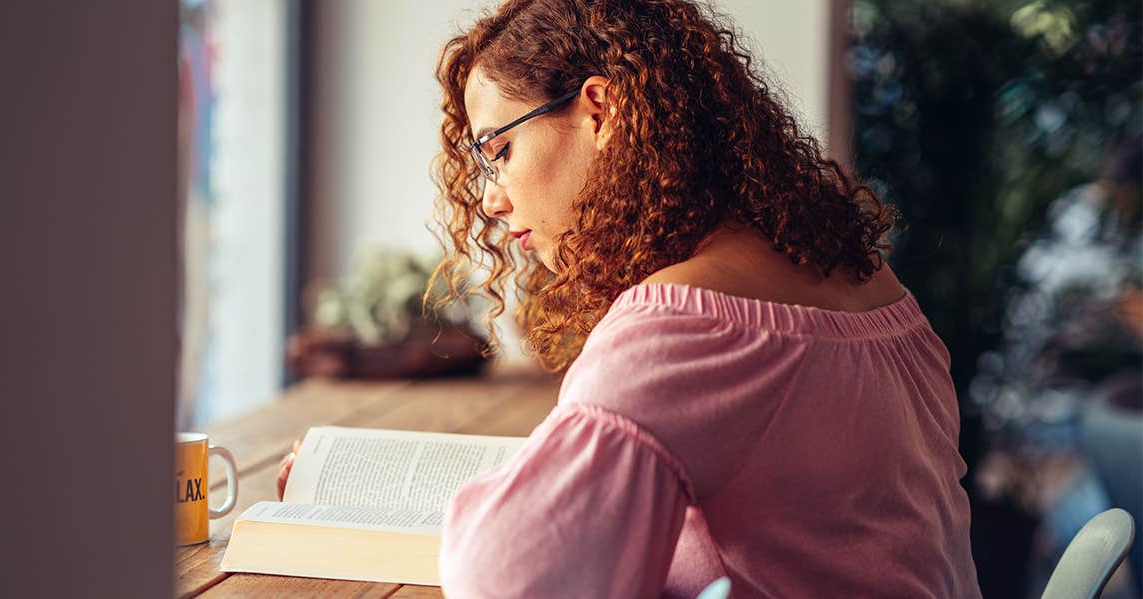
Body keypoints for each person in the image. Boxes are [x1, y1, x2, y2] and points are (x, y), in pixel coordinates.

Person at [279, 0, 981, 596]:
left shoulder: (681, 323)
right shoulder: (869, 282)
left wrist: (488, 501)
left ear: (600, 108)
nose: (490, 198)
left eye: (497, 150)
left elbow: (514, 575)